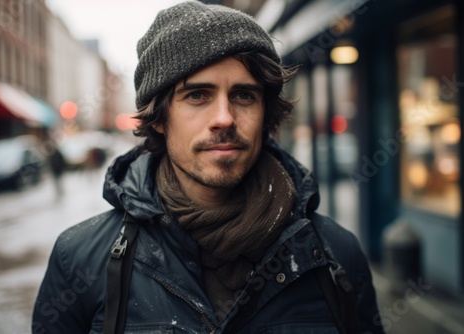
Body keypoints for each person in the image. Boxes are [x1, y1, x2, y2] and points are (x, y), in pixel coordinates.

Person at [32, 2, 384, 333]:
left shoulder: (336, 254)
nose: (224, 118)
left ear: (266, 114)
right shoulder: (80, 259)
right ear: (159, 118)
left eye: (244, 95)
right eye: (197, 95)